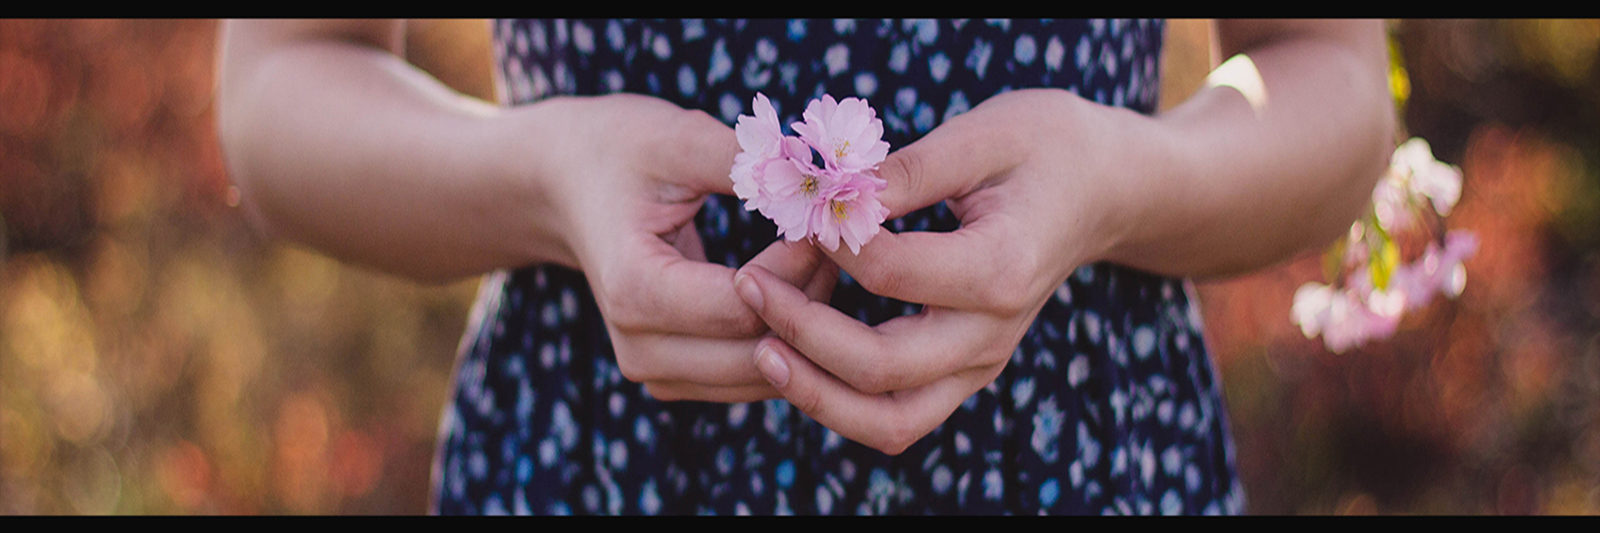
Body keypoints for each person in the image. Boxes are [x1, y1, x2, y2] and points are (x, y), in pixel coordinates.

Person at [218, 19, 1393, 514]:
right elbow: (283, 87)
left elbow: (1327, 77)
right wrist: (539, 175)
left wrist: (1124, 179)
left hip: (1078, 461)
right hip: (599, 458)